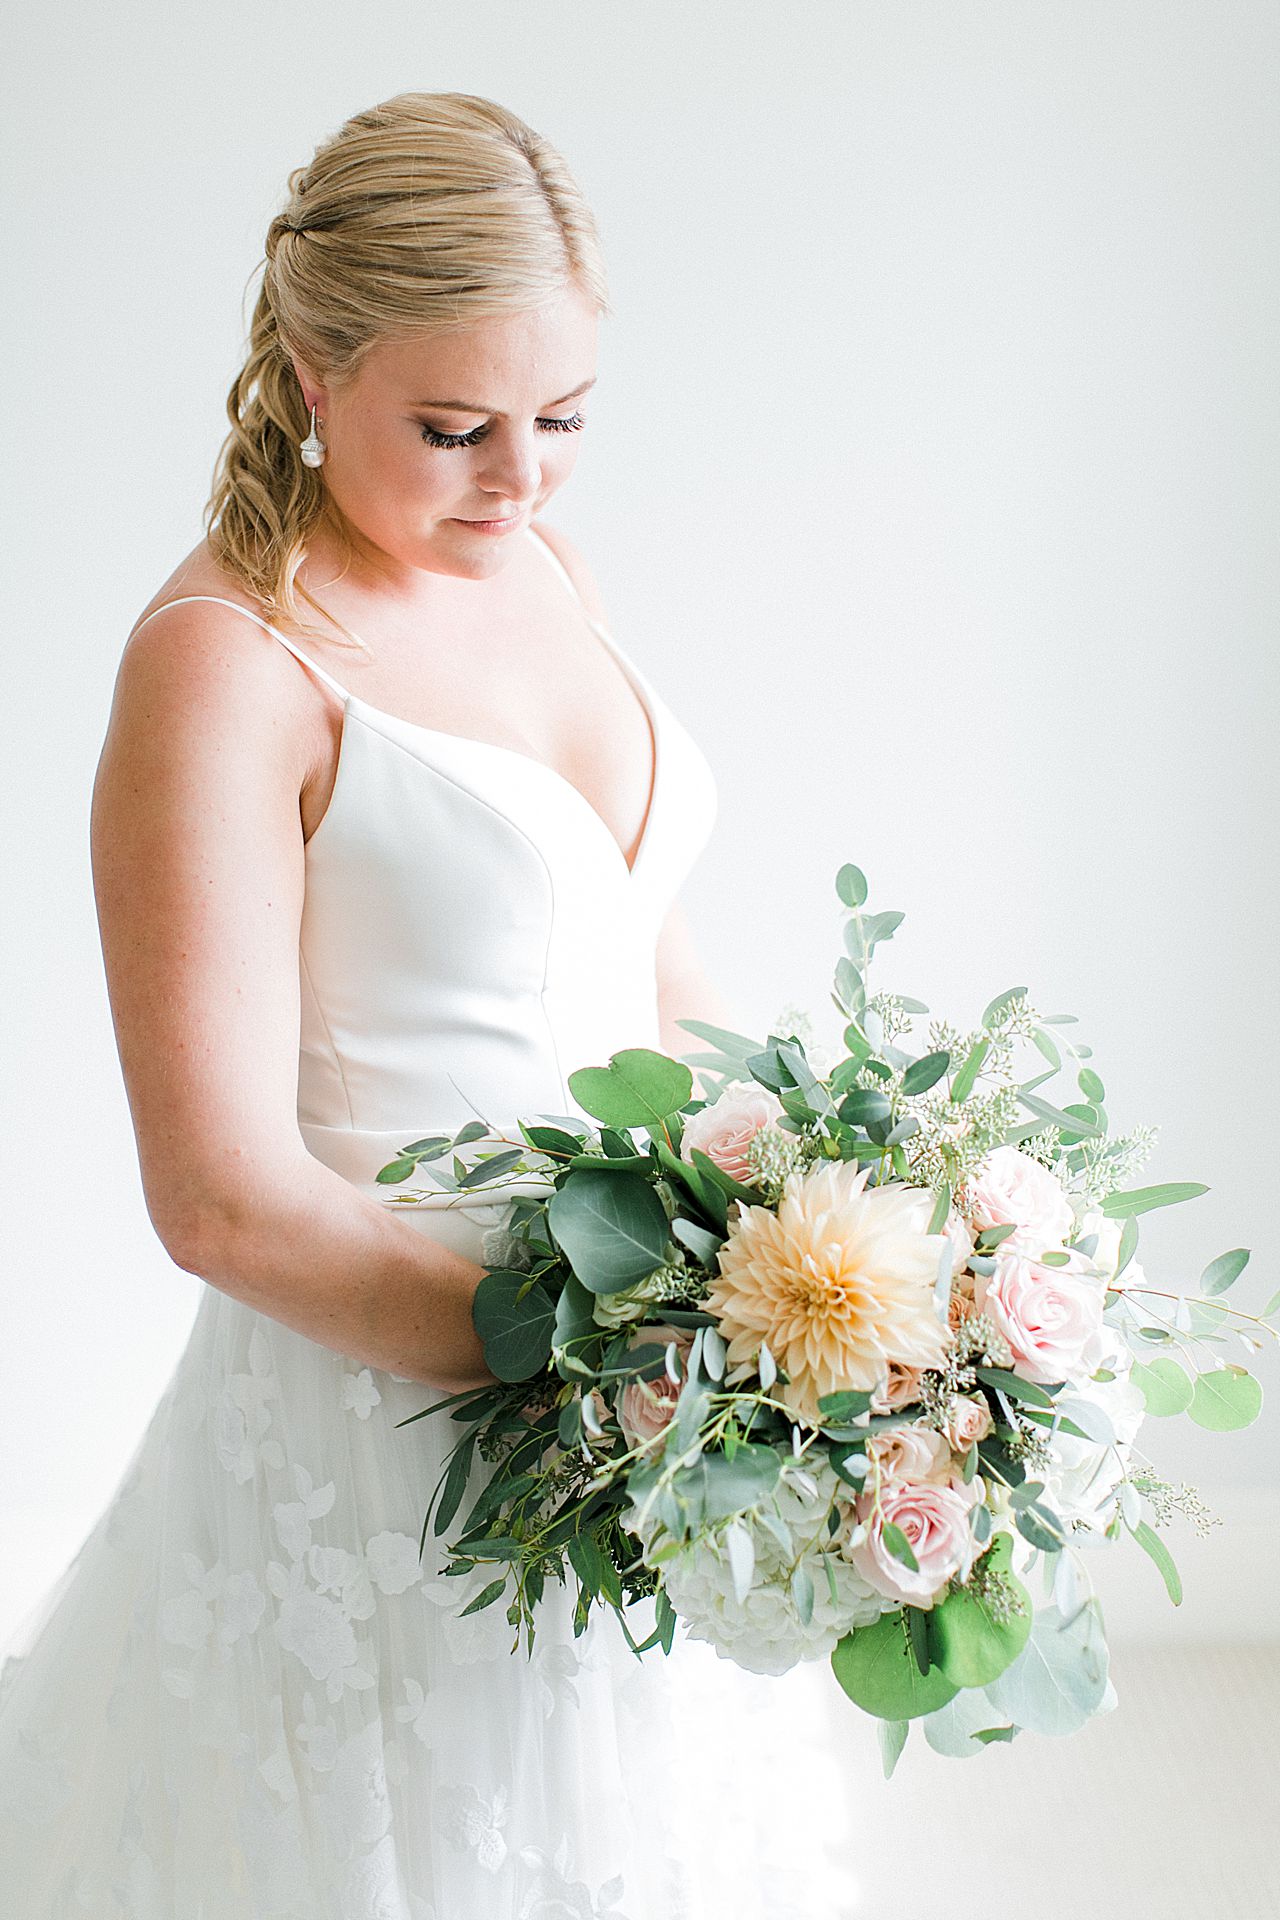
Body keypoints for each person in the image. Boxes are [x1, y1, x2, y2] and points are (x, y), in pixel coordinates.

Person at [0, 91, 862, 1917]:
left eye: (563, 420)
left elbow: (640, 935)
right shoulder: (227, 670)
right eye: (457, 428)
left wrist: (814, 1215)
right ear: (314, 371)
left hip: (652, 1385)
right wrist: (579, 1368)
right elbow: (217, 1195)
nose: (524, 480)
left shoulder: (537, 558)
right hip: (410, 1431)